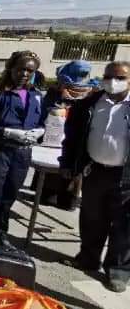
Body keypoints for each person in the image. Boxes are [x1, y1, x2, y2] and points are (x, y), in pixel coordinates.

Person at [59, 61, 130, 293]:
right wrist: (70, 163)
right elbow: (73, 136)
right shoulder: (91, 103)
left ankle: (118, 271)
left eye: (119, 77)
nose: (112, 81)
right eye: (108, 76)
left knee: (124, 227)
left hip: (125, 176)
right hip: (95, 171)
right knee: (92, 218)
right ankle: (88, 258)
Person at [0, 51, 46, 247]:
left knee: (10, 193)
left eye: (30, 70)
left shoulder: (36, 96)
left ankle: (1, 231)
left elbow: (42, 121)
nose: (24, 74)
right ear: (11, 69)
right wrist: (5, 132)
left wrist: (40, 131)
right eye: (21, 69)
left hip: (22, 153)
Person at [35, 60, 94, 209]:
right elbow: (44, 112)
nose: (75, 92)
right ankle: (46, 194)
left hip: (76, 139)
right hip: (52, 138)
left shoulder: (90, 95)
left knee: (73, 171)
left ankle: (69, 199)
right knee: (48, 173)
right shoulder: (53, 94)